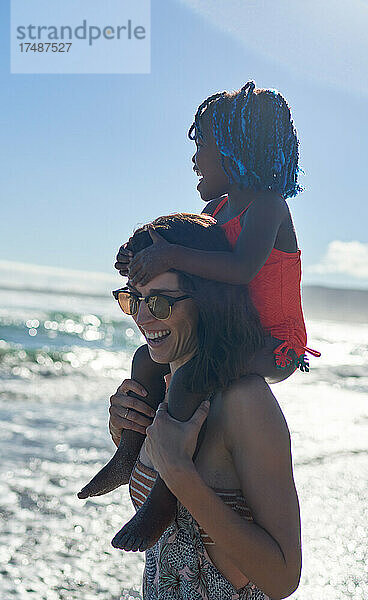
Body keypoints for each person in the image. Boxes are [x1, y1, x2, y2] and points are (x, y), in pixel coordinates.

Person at [78, 80, 320, 551]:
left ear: (235, 150)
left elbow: (239, 267)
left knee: (190, 380)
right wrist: (142, 254)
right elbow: (185, 243)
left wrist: (172, 256)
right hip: (234, 333)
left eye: (202, 146)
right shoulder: (217, 208)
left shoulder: (269, 206)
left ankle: (165, 498)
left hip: (274, 344)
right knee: (145, 361)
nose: (194, 159)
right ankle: (129, 451)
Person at [107, 214, 302, 599]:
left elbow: (283, 579)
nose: (144, 317)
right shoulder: (163, 386)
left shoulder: (244, 402)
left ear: (207, 301)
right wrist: (127, 440)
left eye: (160, 302)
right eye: (134, 298)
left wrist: (180, 475)